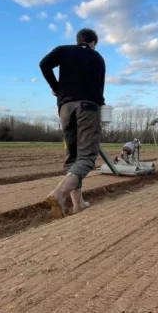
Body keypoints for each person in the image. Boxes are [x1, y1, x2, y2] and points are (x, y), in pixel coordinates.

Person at [39, 27, 106, 218]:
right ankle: (59, 194)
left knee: (73, 157)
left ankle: (78, 204)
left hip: (65, 108)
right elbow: (99, 88)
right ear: (92, 43)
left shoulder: (64, 50)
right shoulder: (97, 58)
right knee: (87, 157)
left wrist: (57, 88)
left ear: (78, 40)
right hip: (88, 107)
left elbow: (44, 64)